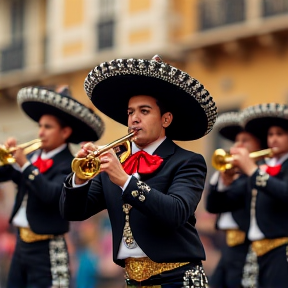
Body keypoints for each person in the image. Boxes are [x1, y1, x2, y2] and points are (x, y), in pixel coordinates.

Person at [60, 55, 218, 288]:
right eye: (130, 112)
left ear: (166, 119)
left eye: (144, 111)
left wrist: (124, 180)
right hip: (133, 281)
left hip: (178, 279)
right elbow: (73, 212)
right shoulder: (115, 160)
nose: (134, 119)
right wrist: (80, 179)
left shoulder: (188, 161)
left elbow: (175, 212)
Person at [0, 86, 104, 288]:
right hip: (21, 245)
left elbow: (52, 195)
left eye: (48, 127)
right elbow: (5, 175)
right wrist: (7, 158)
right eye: (40, 126)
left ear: (65, 132)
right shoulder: (31, 157)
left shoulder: (70, 164)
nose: (40, 132)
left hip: (47, 247)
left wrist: (25, 165)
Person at [235, 103, 288, 288]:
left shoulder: (257, 169)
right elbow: (219, 204)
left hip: (282, 248)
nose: (273, 139)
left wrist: (253, 171)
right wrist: (224, 182)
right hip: (254, 249)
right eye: (270, 134)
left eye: (280, 134)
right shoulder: (262, 164)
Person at [206, 111, 260, 288]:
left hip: (248, 249)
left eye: (245, 141)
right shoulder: (237, 176)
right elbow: (212, 206)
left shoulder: (257, 175)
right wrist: (224, 181)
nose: (237, 145)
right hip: (228, 248)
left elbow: (240, 195)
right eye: (237, 140)